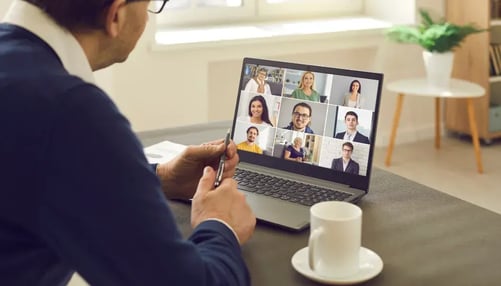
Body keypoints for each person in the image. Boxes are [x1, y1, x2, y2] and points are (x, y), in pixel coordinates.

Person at [0, 1, 256, 285]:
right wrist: (220, 224)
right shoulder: (68, 109)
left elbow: (45, 176)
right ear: (116, 14)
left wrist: (160, 177)